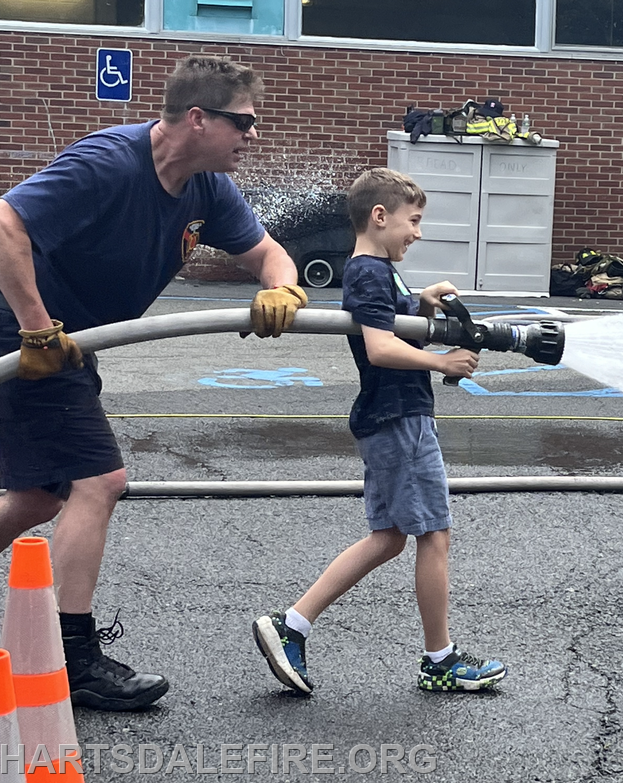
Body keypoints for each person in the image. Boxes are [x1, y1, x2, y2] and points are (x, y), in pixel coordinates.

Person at [0, 54, 308, 711]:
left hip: (65, 338)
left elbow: (268, 253)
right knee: (98, 481)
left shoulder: (206, 187)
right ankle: (74, 659)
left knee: (40, 493)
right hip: (18, 326)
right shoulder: (108, 163)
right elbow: (0, 225)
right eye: (244, 123)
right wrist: (36, 328)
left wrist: (283, 289)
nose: (253, 136)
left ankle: (69, 653)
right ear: (198, 118)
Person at [253, 168, 506, 694]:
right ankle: (440, 660)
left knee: (389, 538)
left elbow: (390, 321)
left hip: (391, 417)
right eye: (413, 221)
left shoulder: (379, 270)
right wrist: (442, 362)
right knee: (434, 535)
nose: (417, 232)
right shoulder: (368, 271)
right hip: (399, 419)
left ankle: (291, 625)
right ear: (379, 216)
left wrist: (422, 302)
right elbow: (379, 348)